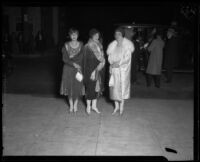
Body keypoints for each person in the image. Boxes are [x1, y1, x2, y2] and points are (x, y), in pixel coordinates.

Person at [107, 27, 134, 115]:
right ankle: (116, 107)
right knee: (114, 88)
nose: (117, 35)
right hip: (114, 71)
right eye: (116, 34)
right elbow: (110, 57)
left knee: (121, 89)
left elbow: (127, 58)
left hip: (122, 71)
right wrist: (112, 63)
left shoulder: (127, 46)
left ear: (122, 34)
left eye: (119, 34)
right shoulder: (112, 46)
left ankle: (121, 107)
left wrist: (118, 63)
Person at [60, 28, 84, 113]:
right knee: (69, 87)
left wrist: (77, 65)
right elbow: (65, 58)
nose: (74, 36)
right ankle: (71, 105)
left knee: (77, 87)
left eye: (75, 34)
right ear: (69, 36)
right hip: (68, 69)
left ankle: (76, 105)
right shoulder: (66, 45)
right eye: (72, 34)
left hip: (78, 69)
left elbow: (82, 56)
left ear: (78, 35)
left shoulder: (81, 45)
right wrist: (73, 64)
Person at [83, 28, 105, 115]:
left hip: (99, 70)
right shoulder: (87, 46)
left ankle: (94, 106)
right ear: (91, 36)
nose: (97, 36)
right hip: (90, 70)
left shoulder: (100, 45)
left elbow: (102, 58)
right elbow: (85, 60)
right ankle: (88, 106)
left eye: (98, 35)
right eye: (95, 35)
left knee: (97, 88)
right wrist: (91, 70)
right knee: (90, 88)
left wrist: (101, 65)